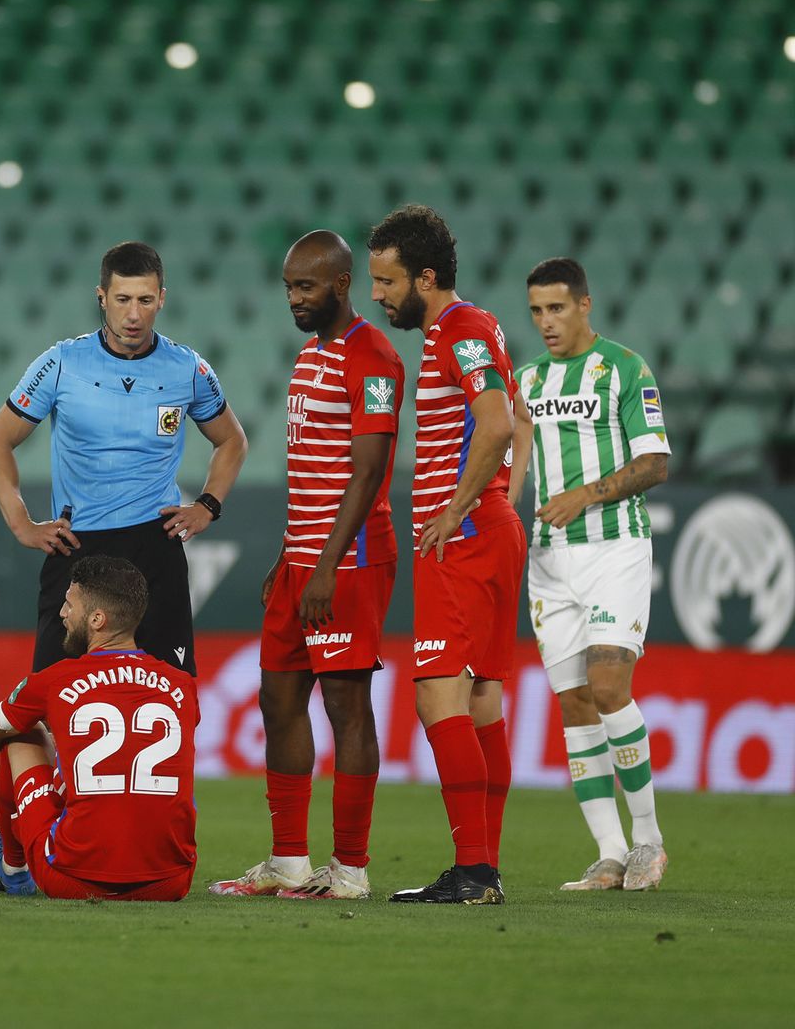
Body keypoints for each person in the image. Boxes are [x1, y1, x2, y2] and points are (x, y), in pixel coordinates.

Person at [0, 240, 245, 894]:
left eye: (145, 299)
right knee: (36, 709)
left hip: (155, 547)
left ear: (162, 299)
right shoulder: (62, 363)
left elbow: (231, 440)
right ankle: (15, 859)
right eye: (122, 299)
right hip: (77, 549)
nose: (134, 313)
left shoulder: (188, 370)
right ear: (101, 298)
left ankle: (154, 844)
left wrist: (208, 504)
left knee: (175, 703)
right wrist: (21, 522)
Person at [210, 230, 404, 901]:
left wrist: (324, 565)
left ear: (341, 285)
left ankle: (350, 869)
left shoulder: (374, 358)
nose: (294, 298)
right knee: (278, 696)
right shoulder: (310, 353)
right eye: (289, 287)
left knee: (347, 705)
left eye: (306, 286)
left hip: (348, 562)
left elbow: (368, 473)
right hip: (305, 556)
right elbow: (314, 472)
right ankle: (289, 860)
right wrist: (290, 554)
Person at [368, 204, 524, 906]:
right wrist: (492, 505)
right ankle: (482, 870)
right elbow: (514, 418)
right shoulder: (475, 327)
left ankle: (474, 870)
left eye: (388, 281)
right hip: (489, 529)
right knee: (482, 700)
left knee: (438, 694)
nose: (378, 294)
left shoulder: (459, 330)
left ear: (425, 278)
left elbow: (495, 423)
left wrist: (458, 509)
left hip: (462, 535)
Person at [507, 257, 670, 891]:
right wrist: (501, 517)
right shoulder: (527, 381)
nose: (546, 322)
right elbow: (516, 466)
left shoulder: (626, 369)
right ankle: (609, 852)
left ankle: (649, 842)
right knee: (574, 702)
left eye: (556, 308)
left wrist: (587, 494)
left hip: (614, 549)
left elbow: (654, 462)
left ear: (584, 305)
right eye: (536, 311)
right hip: (548, 560)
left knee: (607, 687)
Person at [0, 555, 199, 900]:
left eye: (69, 604)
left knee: (22, 730)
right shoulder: (183, 685)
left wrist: (24, 731)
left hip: (71, 878)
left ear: (97, 619)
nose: (62, 614)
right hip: (171, 881)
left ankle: (14, 868)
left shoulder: (55, 680)